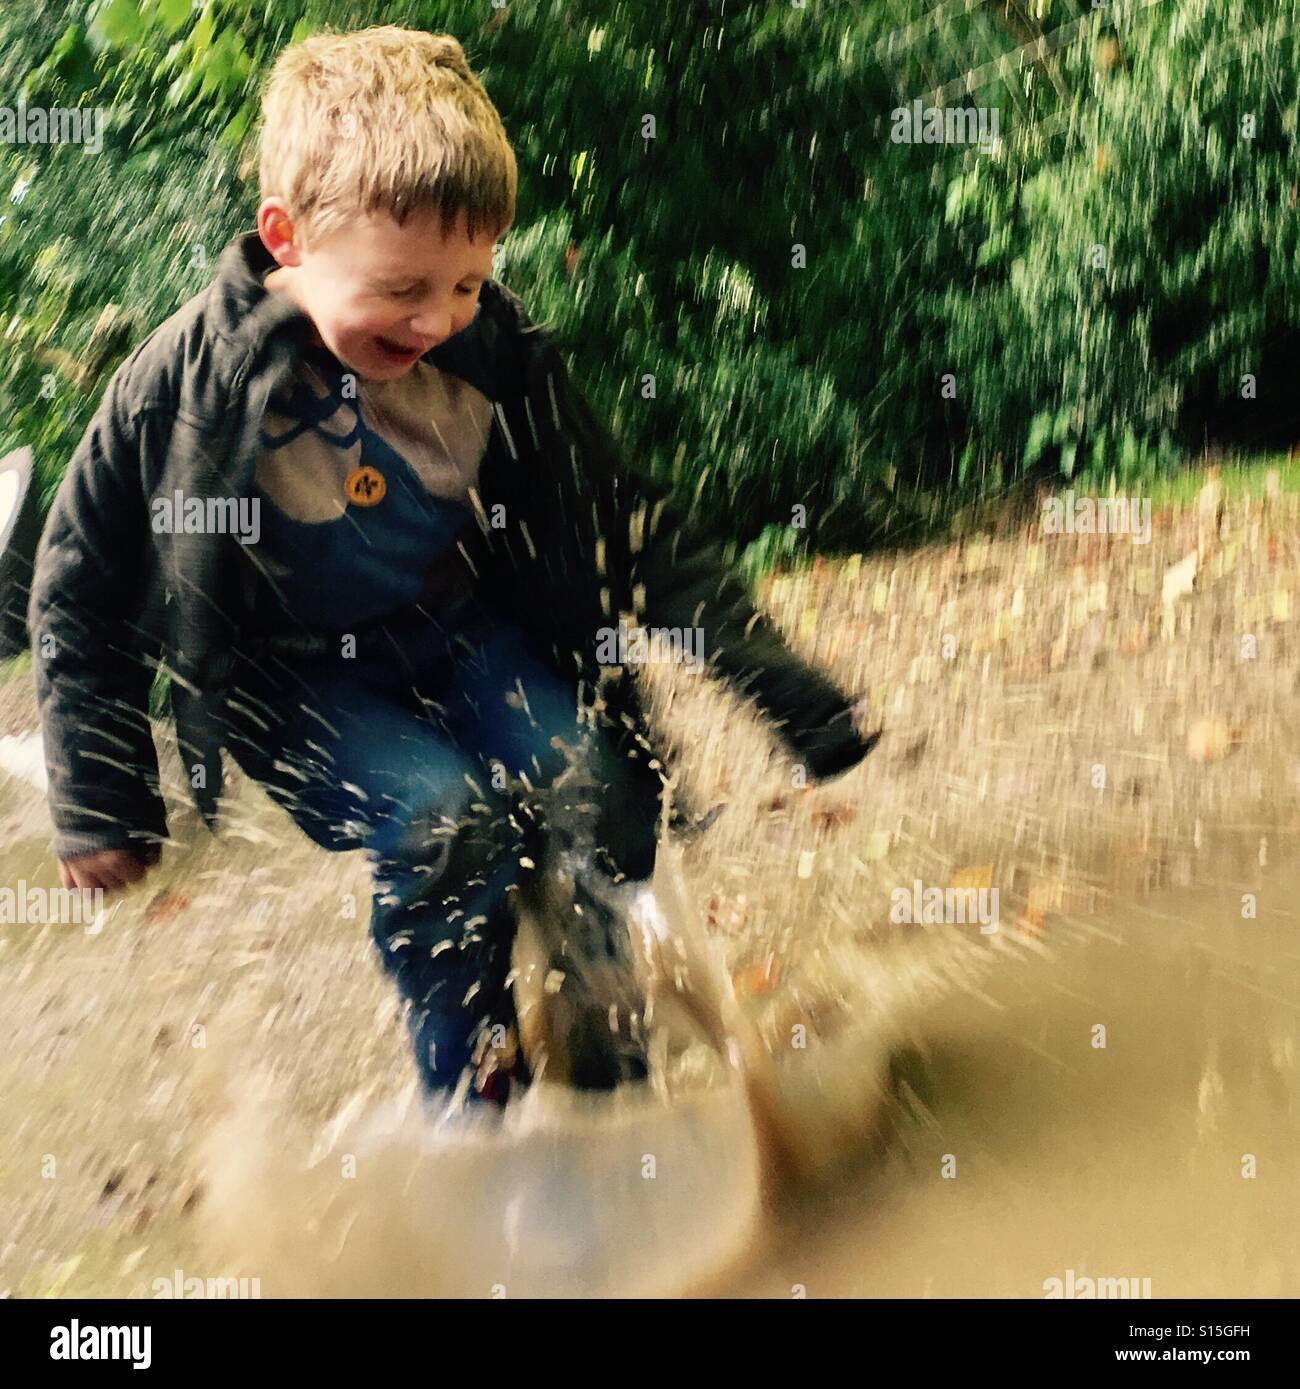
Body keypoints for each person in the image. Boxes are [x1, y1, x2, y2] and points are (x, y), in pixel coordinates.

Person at [28, 25, 876, 1110]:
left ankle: (607, 1074)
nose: (437, 320)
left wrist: (776, 682)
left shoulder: (499, 361)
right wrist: (101, 802)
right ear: (286, 239)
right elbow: (80, 588)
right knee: (444, 824)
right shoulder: (177, 389)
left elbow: (631, 525)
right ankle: (473, 1098)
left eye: (470, 282)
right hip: (298, 683)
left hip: (457, 629)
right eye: (403, 288)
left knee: (591, 785)